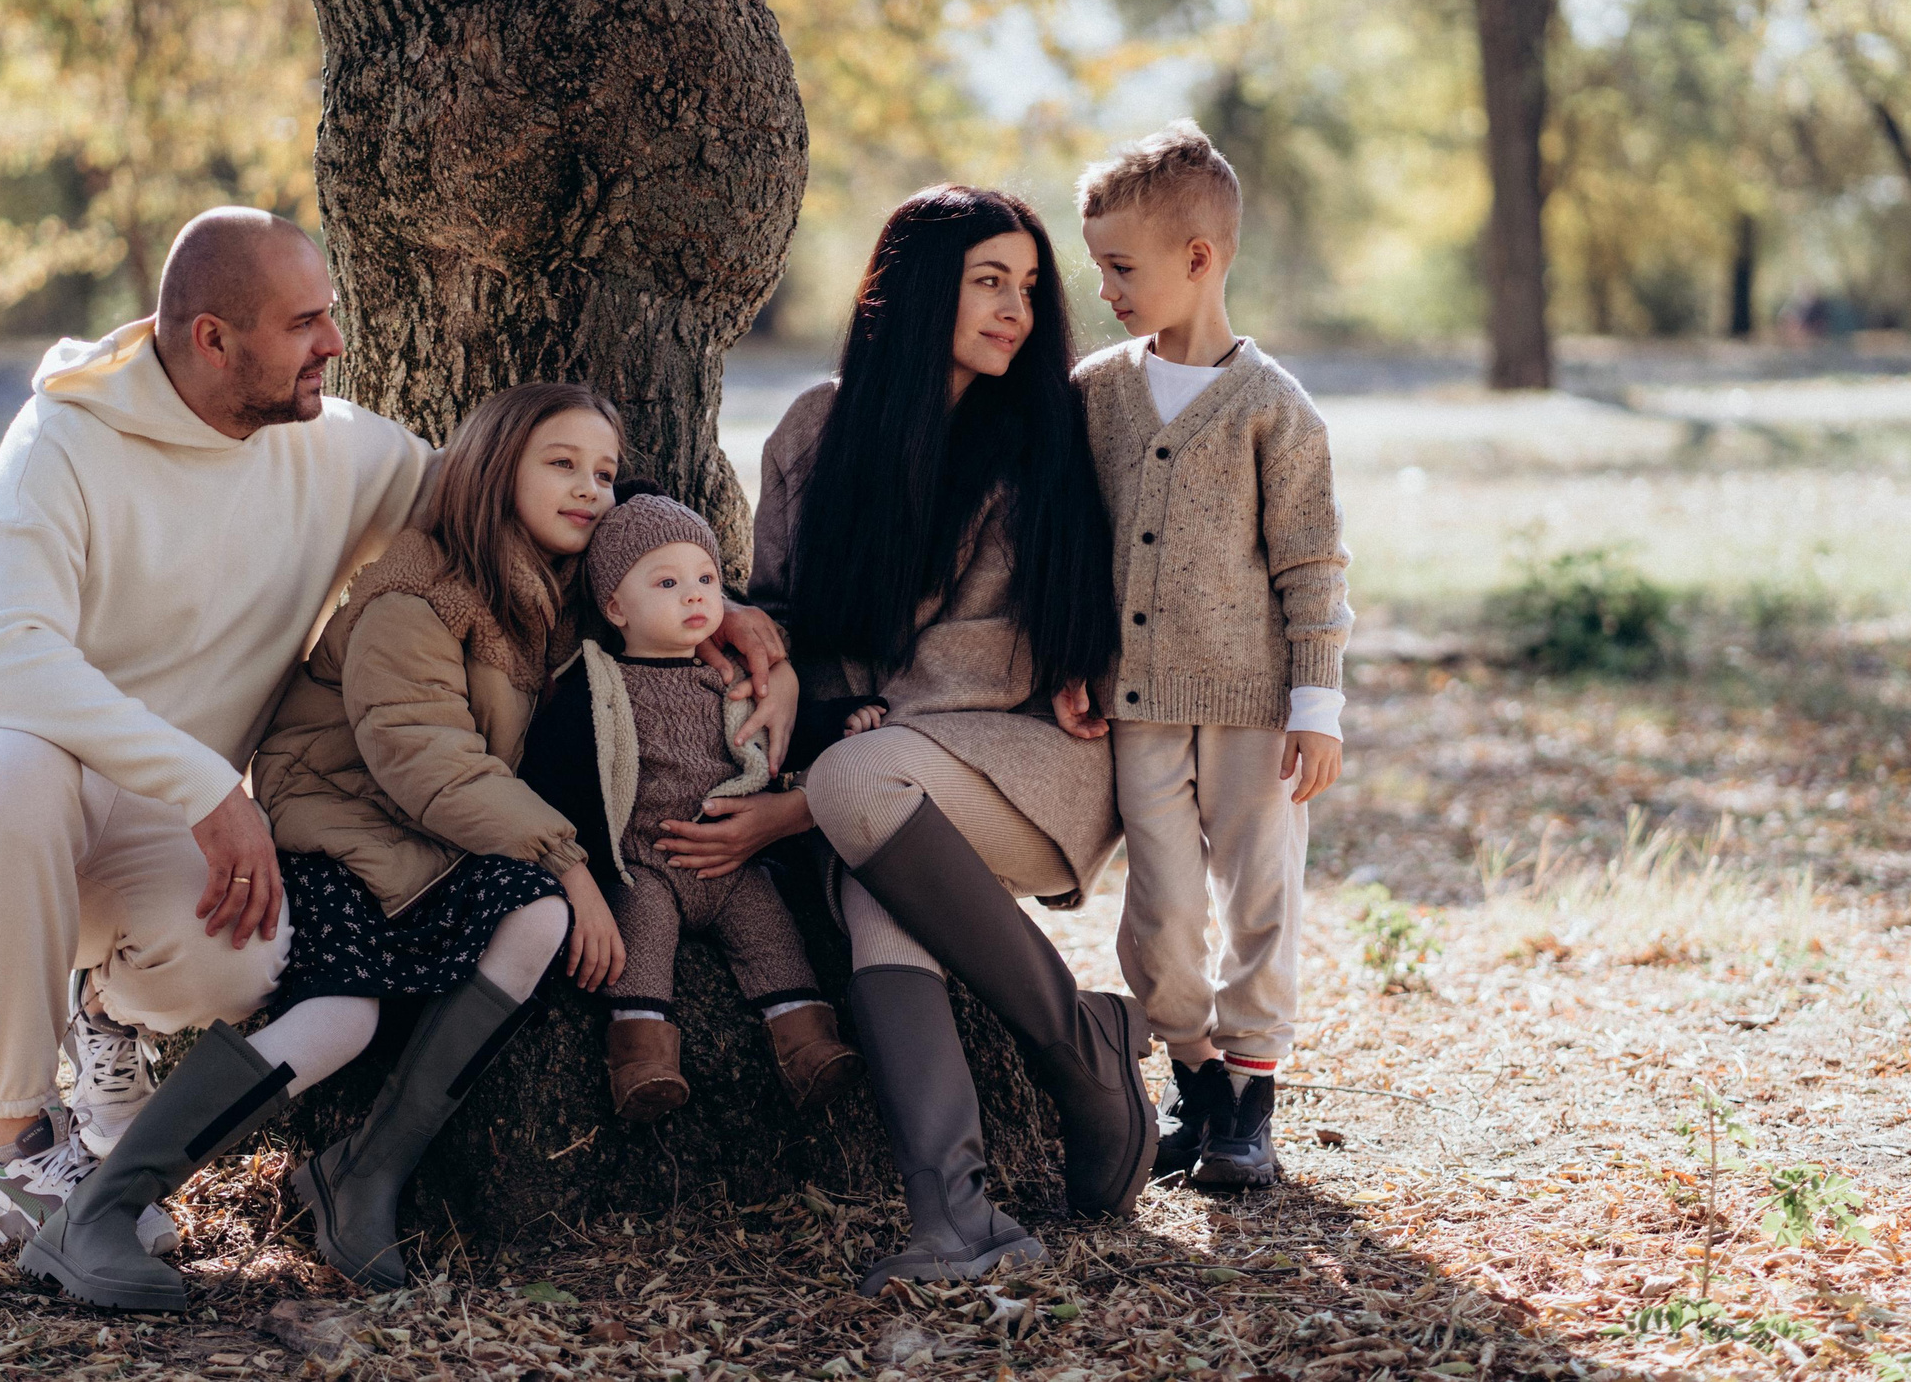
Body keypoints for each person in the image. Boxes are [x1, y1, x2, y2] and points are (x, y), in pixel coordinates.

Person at [18, 383, 792, 1308]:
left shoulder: (557, 591)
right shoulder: (420, 589)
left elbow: (664, 570)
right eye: (562, 464)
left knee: (533, 919)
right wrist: (572, 862)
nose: (591, 488)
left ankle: (367, 1174)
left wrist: (742, 621)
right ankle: (100, 1208)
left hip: (435, 834)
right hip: (345, 823)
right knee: (348, 1016)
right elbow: (423, 760)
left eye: (604, 471)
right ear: (495, 467)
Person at [0, 208, 431, 1265]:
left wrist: (691, 587)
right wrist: (210, 789)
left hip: (152, 820)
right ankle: (19, 1150)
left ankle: (107, 1014)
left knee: (241, 955)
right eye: (305, 321)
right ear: (213, 338)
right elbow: (2, 659)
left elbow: (496, 497)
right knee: (18, 772)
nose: (335, 343)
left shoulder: (339, 448)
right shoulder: (63, 437)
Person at [686, 184, 1155, 1294]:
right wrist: (751, 621)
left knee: (853, 794)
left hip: (1030, 767)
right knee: (868, 897)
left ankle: (1082, 1055)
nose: (1015, 311)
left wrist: (790, 810)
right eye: (988, 281)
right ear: (912, 288)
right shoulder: (816, 428)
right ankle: (954, 1215)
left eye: (1029, 288)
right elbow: (796, 607)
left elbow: (1089, 630)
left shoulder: (1045, 437)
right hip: (886, 791)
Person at [1073, 120, 1351, 1190]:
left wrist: (1316, 706)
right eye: (1098, 265)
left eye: (1120, 267)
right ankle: (1192, 1078)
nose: (1105, 289)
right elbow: (1066, 540)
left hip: (1256, 707)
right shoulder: (1096, 391)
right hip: (1135, 702)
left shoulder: (1275, 409)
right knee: (1161, 909)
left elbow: (1311, 564)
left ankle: (1252, 1101)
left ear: (1198, 259)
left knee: (1261, 898)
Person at [518, 482, 860, 1122]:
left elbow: (779, 731)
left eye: (706, 577)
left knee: (775, 940)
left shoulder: (726, 678)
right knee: (640, 947)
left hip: (735, 867)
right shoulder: (600, 685)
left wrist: (844, 721)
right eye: (667, 584)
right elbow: (557, 770)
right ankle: (643, 1062)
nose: (697, 594)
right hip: (647, 865)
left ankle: (810, 1049)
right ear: (616, 607)